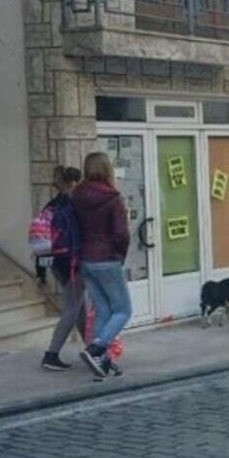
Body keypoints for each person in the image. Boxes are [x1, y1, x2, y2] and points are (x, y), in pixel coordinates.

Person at [72, 151, 132, 380]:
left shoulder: (77, 195)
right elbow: (121, 234)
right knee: (123, 310)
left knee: (103, 311)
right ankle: (96, 349)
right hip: (107, 259)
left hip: (86, 259)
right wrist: (120, 256)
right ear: (107, 169)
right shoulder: (112, 197)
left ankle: (101, 362)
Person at [41, 166, 87, 372]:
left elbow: (40, 239)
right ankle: (51, 354)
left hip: (57, 263)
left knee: (79, 308)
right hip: (73, 263)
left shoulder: (50, 206)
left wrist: (41, 271)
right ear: (73, 183)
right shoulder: (74, 206)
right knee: (72, 309)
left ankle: (93, 350)